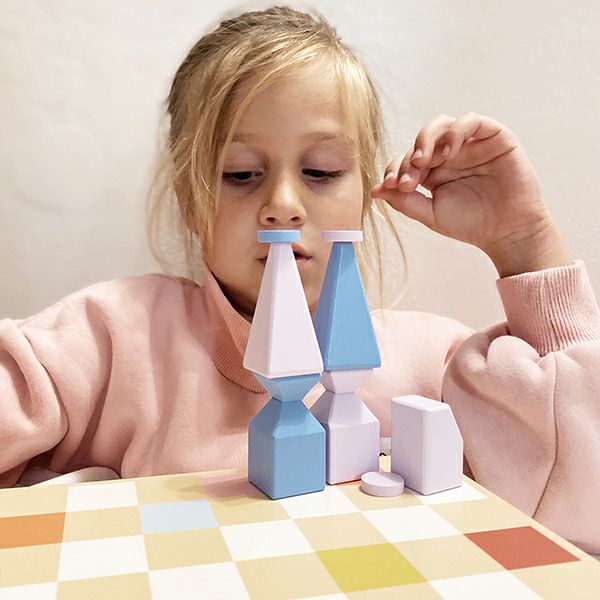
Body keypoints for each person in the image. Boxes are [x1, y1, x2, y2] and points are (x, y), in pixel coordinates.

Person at [1, 6, 599, 555]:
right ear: (189, 199)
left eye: (320, 171)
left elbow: (583, 498)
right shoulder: (107, 340)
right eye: (240, 175)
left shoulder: (434, 368)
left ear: (365, 192)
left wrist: (523, 243)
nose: (283, 206)